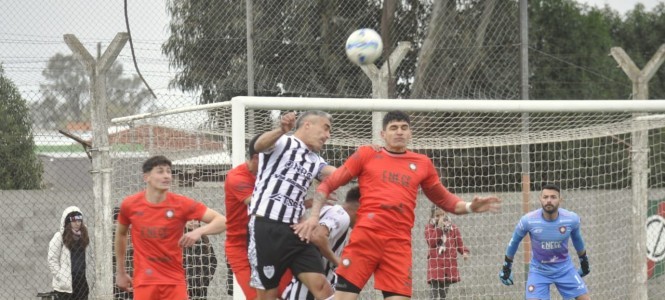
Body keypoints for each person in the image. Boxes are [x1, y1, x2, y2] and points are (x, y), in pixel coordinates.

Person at [295, 110, 501, 300]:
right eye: (394, 128)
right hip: (365, 240)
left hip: (398, 245)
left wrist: (470, 207)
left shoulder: (422, 163)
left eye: (404, 127)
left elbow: (445, 200)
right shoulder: (367, 154)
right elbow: (329, 183)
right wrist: (313, 216)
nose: (399, 132)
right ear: (383, 133)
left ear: (411, 132)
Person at [248, 111, 337, 300]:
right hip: (267, 226)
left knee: (323, 287)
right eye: (325, 128)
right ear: (307, 125)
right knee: (268, 295)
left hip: (296, 230)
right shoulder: (283, 142)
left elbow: (340, 174)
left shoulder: (315, 160)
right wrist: (281, 129)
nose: (328, 135)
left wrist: (367, 161)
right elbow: (259, 145)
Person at [114, 155, 227, 300]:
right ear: (146, 177)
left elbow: (222, 221)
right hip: (144, 282)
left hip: (174, 282)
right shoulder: (130, 205)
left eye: (169, 171)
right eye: (160, 171)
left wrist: (199, 231)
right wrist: (121, 272)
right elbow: (121, 234)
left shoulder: (182, 204)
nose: (166, 176)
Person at [225, 133, 292, 299]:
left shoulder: (275, 174)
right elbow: (258, 204)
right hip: (241, 247)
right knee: (257, 296)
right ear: (256, 158)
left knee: (289, 294)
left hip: (272, 243)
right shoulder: (236, 177)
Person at [499, 183, 591, 300]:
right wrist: (507, 266)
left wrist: (584, 261)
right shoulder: (528, 220)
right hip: (539, 271)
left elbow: (577, 239)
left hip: (564, 269)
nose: (549, 200)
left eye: (553, 197)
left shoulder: (571, 219)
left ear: (560, 200)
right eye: (545, 197)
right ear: (540, 199)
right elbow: (514, 242)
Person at [282, 186, 361, 300]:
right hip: (308, 290)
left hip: (308, 286)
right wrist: (337, 261)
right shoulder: (342, 215)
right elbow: (317, 236)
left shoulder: (331, 210)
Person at [48, 206, 91, 300]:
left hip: (82, 282)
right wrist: (60, 276)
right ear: (67, 221)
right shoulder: (59, 237)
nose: (77, 223)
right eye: (74, 220)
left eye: (79, 220)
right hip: (66, 286)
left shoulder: (84, 236)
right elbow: (52, 259)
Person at [425, 207, 469, 299]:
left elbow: (459, 243)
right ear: (432, 216)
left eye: (443, 215)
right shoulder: (429, 228)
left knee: (444, 292)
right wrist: (439, 228)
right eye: (437, 216)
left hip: (448, 264)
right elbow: (431, 242)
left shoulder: (453, 228)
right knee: (434, 291)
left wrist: (464, 251)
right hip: (435, 265)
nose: (441, 218)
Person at [183, 220, 218, 300]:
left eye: (195, 220)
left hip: (201, 286)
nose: (192, 222)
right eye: (189, 220)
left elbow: (213, 261)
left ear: (199, 222)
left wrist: (206, 279)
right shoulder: (179, 238)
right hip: (185, 286)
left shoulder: (204, 239)